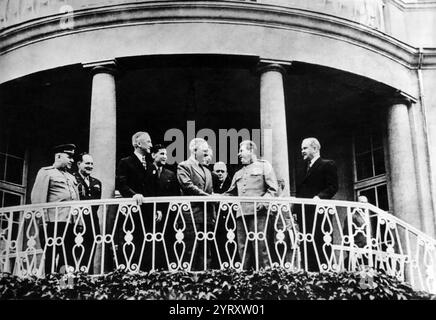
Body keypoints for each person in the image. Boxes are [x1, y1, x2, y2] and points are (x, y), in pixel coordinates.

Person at [224, 140, 278, 270]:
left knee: (261, 246)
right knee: (243, 247)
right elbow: (230, 193)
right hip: (241, 214)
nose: (239, 154)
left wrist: (264, 202)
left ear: (251, 151)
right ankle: (244, 279)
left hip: (259, 213)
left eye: (241, 151)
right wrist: (214, 196)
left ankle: (264, 277)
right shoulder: (238, 173)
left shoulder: (264, 166)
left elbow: (273, 189)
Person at [31, 143, 80, 274]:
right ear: (58, 156)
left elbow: (77, 202)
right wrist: (43, 223)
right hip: (53, 223)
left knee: (68, 257)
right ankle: (50, 286)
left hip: (70, 223)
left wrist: (78, 222)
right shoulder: (46, 173)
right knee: (52, 256)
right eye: (69, 156)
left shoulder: (71, 177)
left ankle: (67, 286)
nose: (72, 160)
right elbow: (38, 200)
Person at [296, 137, 338, 271]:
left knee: (321, 244)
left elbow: (333, 187)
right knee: (306, 246)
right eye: (301, 148)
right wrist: (296, 210)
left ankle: (323, 276)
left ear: (315, 148)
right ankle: (309, 276)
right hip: (304, 214)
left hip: (320, 213)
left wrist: (319, 197)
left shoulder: (327, 164)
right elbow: (300, 192)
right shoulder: (302, 168)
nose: (302, 151)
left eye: (305, 148)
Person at [116, 131, 155, 271]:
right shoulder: (125, 162)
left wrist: (158, 209)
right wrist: (133, 195)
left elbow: (153, 189)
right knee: (133, 240)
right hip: (133, 210)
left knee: (148, 240)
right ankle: (131, 272)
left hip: (148, 211)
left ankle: (147, 274)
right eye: (148, 141)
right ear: (138, 144)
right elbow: (121, 184)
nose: (151, 144)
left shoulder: (150, 165)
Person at [177, 138, 215, 270]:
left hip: (207, 215)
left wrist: (213, 214)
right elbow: (188, 186)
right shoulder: (184, 166)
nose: (206, 154)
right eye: (204, 151)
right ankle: (188, 283)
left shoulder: (207, 171)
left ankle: (206, 282)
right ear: (194, 150)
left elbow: (210, 190)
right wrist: (208, 197)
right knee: (191, 249)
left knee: (206, 251)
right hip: (192, 214)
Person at [147, 144, 180, 270]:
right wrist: (156, 209)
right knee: (151, 240)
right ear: (153, 155)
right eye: (161, 154)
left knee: (167, 240)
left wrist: (176, 217)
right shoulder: (146, 171)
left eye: (166, 154)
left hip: (167, 215)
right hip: (150, 214)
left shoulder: (170, 174)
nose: (165, 157)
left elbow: (175, 196)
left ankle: (166, 268)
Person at [74, 152, 102, 273]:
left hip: (91, 222)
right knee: (71, 255)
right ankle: (67, 285)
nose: (90, 166)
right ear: (79, 164)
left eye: (91, 164)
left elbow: (96, 205)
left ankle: (86, 284)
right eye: (87, 163)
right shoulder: (73, 179)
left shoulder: (97, 182)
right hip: (76, 222)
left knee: (89, 254)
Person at [211, 161, 233, 267]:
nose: (220, 173)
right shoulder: (210, 183)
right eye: (217, 171)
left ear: (226, 173)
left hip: (229, 220)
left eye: (222, 171)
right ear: (212, 172)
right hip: (214, 220)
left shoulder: (231, 183)